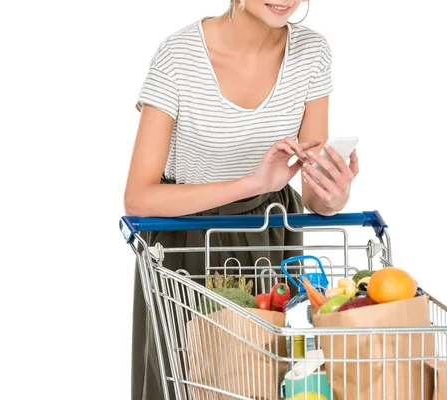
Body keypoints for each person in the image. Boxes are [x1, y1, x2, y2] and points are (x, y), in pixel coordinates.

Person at [125, 0, 359, 398]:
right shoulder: (179, 57)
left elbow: (315, 197)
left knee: (269, 379)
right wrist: (253, 182)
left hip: (271, 238)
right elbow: (138, 198)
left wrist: (335, 195)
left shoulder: (311, 52)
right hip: (187, 244)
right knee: (190, 379)